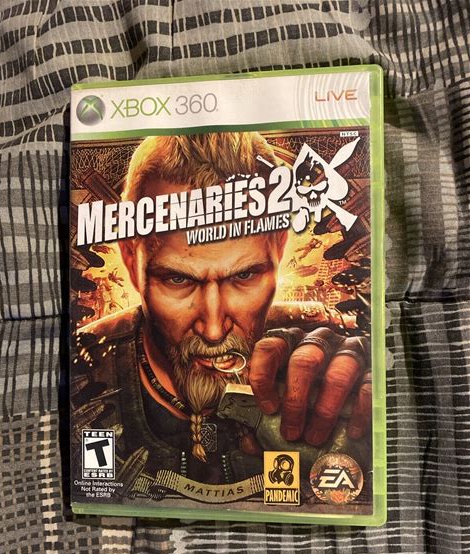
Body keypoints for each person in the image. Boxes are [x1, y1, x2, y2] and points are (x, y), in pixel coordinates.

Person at [74, 132, 371, 496]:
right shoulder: (83, 370)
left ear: (279, 248)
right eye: (179, 279)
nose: (214, 329)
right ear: (130, 260)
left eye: (243, 276)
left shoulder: (323, 332)